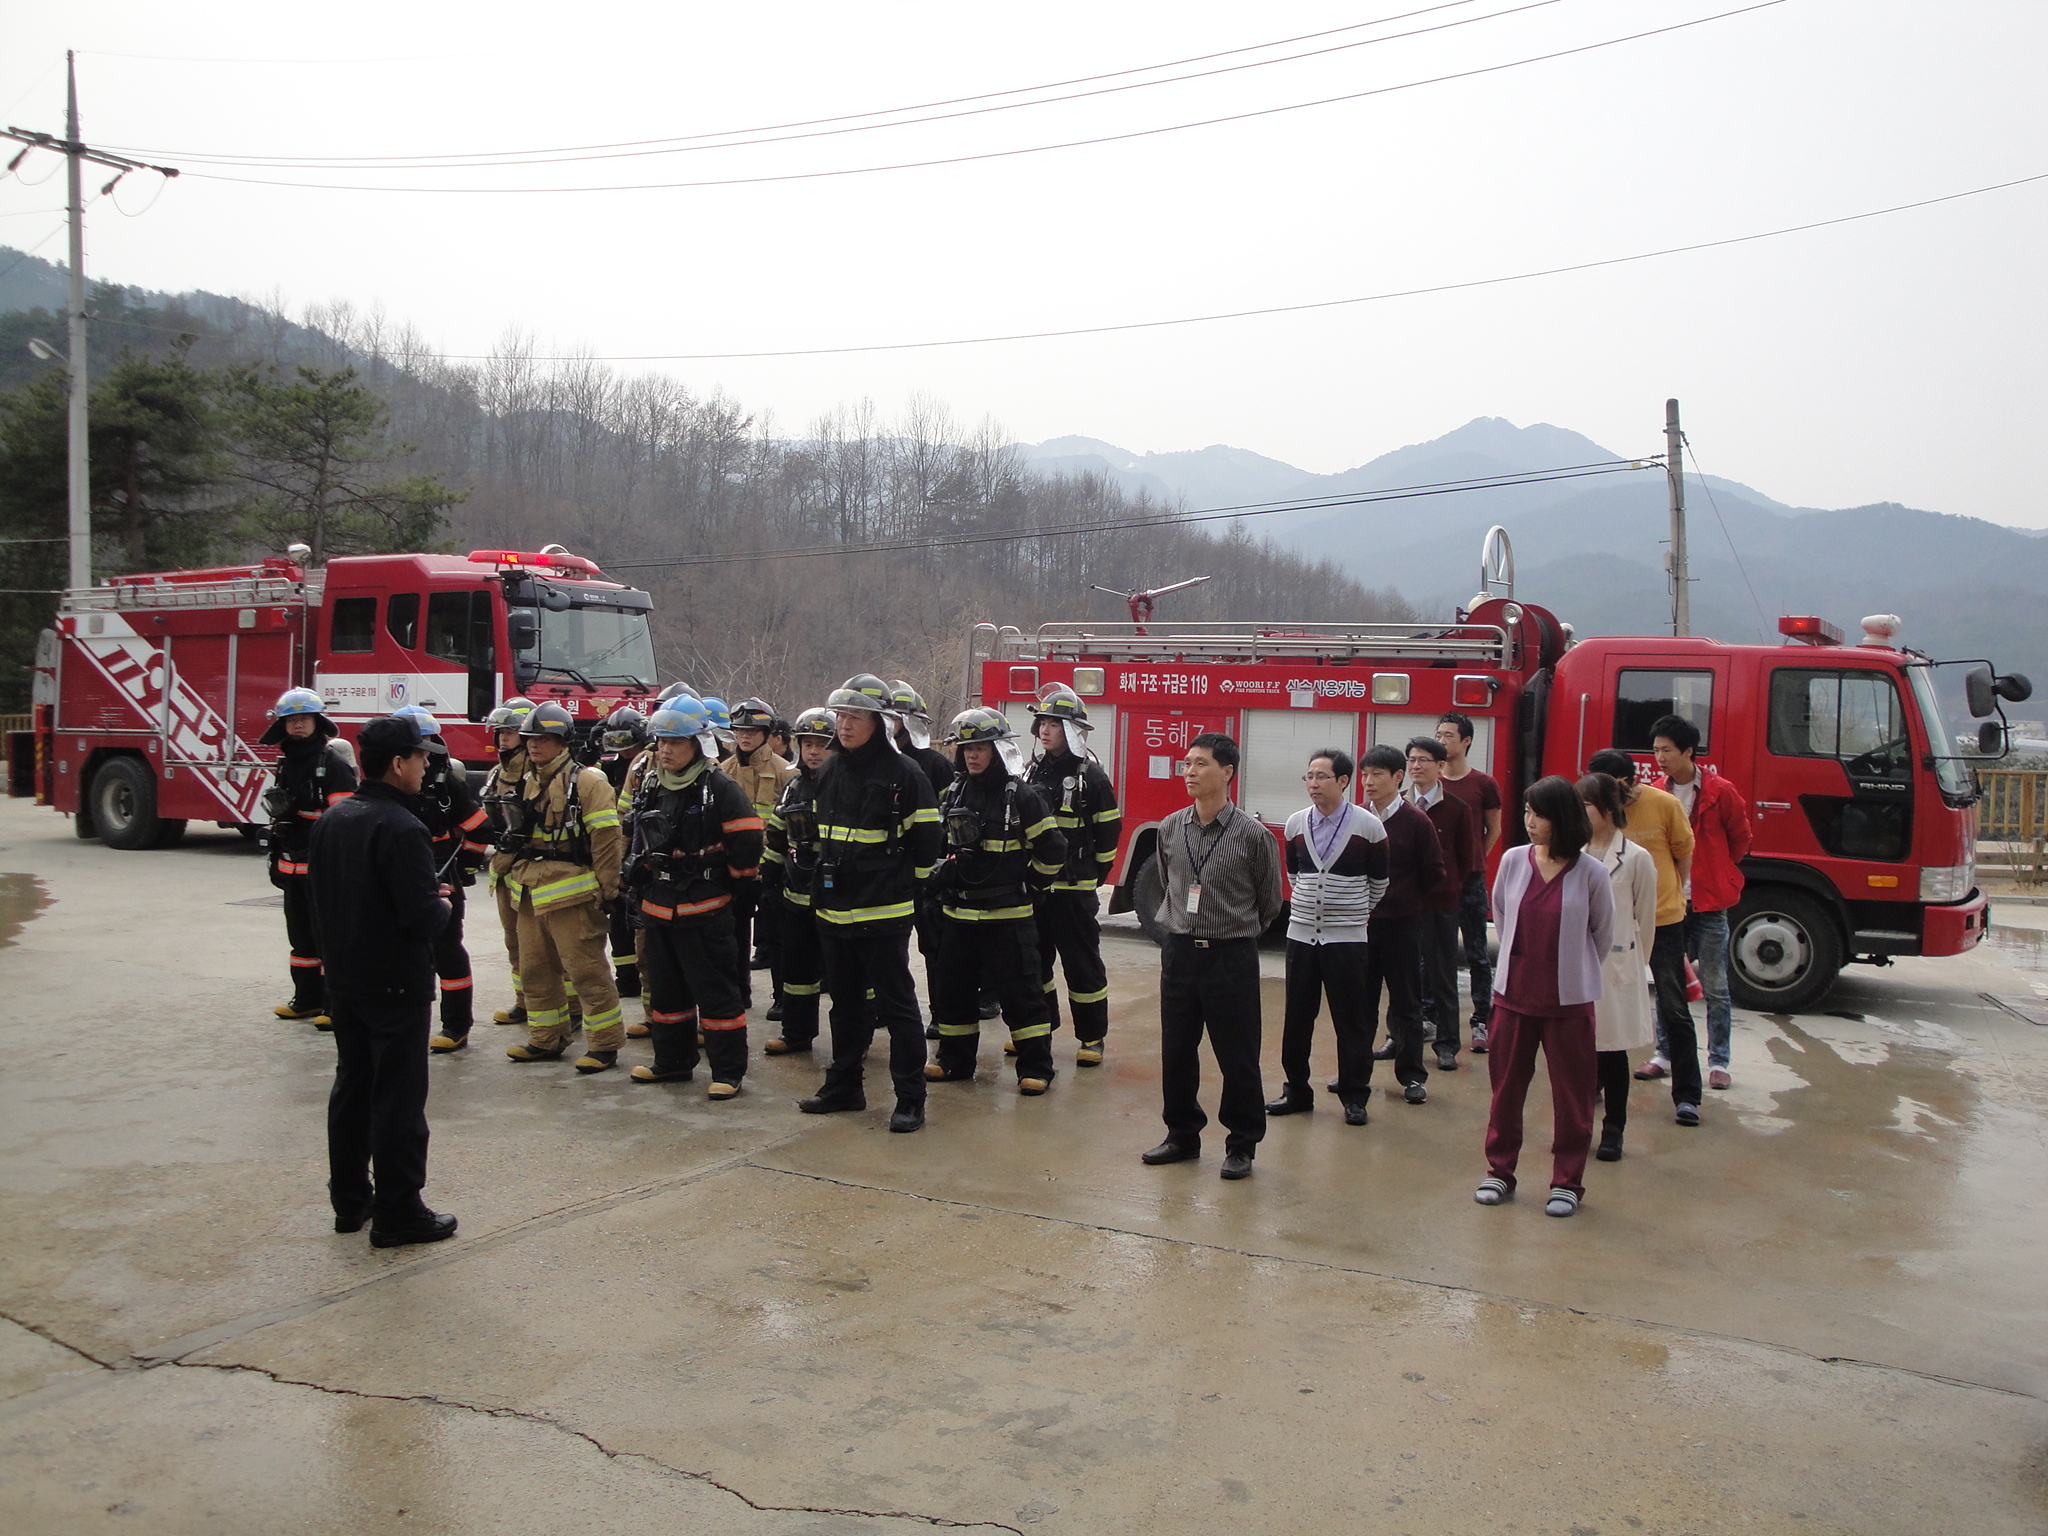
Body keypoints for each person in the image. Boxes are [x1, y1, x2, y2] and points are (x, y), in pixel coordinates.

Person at [307, 714, 455, 1248]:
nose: (426, 766)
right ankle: (399, 1211)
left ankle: (350, 1201)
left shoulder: (335, 819)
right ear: (397, 763)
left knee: (352, 1087)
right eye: (420, 757)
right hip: (395, 984)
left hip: (346, 981)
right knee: (398, 1099)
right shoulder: (401, 827)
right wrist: (440, 903)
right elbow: (422, 917)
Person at [795, 674, 942, 1132]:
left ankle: (910, 1098)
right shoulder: (830, 770)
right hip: (834, 910)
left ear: (881, 722)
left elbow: (927, 847)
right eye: (841, 715)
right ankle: (844, 1087)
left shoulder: (906, 774)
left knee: (897, 1007)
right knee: (844, 1004)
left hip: (883, 914)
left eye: (855, 716)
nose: (844, 725)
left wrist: (901, 892)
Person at [1142, 733, 1284, 1180]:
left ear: (1227, 772)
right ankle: (1181, 1135)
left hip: (1230, 956)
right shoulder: (1170, 828)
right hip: (1180, 953)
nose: (1190, 771)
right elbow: (1169, 882)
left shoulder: (1253, 835)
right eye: (1187, 763)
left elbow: (1269, 902)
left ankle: (1241, 1144)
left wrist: (1233, 932)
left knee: (1237, 1054)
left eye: (1201, 763)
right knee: (1177, 1050)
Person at [1474, 775, 1615, 1218]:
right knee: (1506, 1091)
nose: (1529, 822)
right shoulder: (1513, 861)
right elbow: (1501, 915)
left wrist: (1571, 969)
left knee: (1572, 1096)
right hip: (1514, 997)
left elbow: (1601, 935)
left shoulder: (1592, 873)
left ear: (1562, 818)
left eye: (1539, 815)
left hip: (1568, 1003)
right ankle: (1500, 1170)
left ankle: (1567, 1181)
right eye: (1527, 812)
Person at [623, 700, 764, 1097]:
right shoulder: (652, 782)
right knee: (667, 993)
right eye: (661, 741)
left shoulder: (719, 787)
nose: (665, 750)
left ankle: (728, 1072)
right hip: (658, 907)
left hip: (704, 910)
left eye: (676, 742)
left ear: (698, 743)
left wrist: (729, 886)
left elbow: (748, 840)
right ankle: (672, 1062)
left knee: (715, 992)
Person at [924, 709, 1067, 1093]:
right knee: (953, 993)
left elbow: (1053, 849)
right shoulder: (952, 794)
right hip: (959, 915)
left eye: (981, 747)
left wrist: (1031, 888)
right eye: (966, 748)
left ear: (998, 749)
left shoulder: (1022, 796)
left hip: (1008, 918)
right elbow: (938, 846)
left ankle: (1035, 1068)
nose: (972, 754)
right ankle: (953, 1061)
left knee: (1023, 996)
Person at [497, 702, 627, 1072]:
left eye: (544, 738)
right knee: (534, 969)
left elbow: (606, 839)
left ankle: (604, 1044)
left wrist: (608, 889)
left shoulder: (588, 782)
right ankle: (545, 1039)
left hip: (573, 892)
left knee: (586, 971)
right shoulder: (527, 780)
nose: (534, 744)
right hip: (530, 889)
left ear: (563, 741)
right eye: (530, 738)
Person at [1267, 748, 1388, 1125]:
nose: (1313, 784)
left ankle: (1355, 1095)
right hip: (1302, 936)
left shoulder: (1369, 827)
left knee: (1351, 1020)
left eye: (1322, 776)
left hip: (1347, 940)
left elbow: (1379, 883)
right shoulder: (1295, 824)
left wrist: (1350, 914)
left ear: (1343, 781)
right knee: (1297, 1017)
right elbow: (1294, 875)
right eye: (1309, 776)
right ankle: (1296, 1091)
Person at [1588, 748, 1701, 1125]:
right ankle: (1595, 1083)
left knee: (1673, 1006)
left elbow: (1684, 855)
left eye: (1607, 787)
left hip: (1662, 919)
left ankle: (1687, 1095)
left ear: (1626, 781)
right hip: (1609, 924)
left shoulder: (1664, 805)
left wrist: (1672, 896)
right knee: (1601, 1007)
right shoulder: (1594, 813)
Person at [1648, 713, 1752, 1091]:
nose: (1660, 758)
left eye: (1667, 750)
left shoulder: (1720, 791)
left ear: (1688, 751)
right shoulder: (1657, 791)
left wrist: (1718, 871)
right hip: (1671, 903)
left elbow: (1741, 838)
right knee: (1668, 982)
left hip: (1709, 903)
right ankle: (1664, 1054)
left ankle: (1719, 1061)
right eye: (1656, 750)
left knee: (1716, 985)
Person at [1026, 685, 1121, 1065]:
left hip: (1074, 889)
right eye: (1042, 723)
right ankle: (1039, 1030)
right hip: (1038, 887)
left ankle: (1091, 1037)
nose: (1045, 730)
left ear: (1071, 729)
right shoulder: (1033, 770)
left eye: (1053, 724)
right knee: (1034, 963)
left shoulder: (1091, 777)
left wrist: (1093, 876)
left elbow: (1109, 832)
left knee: (1082, 965)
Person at [388, 707, 492, 1054]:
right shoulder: (389, 782)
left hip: (440, 877)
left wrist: (466, 866)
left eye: (427, 741)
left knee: (447, 952)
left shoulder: (447, 784)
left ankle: (456, 1025)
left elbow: (480, 828)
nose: (423, 750)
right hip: (397, 878)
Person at [260, 687, 358, 1027]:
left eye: (304, 718)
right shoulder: (286, 764)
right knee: (300, 939)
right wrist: (276, 858)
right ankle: (306, 999)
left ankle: (334, 1006)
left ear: (318, 722)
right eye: (291, 720)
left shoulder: (332, 766)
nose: (298, 725)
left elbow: (344, 823)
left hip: (323, 872)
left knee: (328, 939)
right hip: (293, 870)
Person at [1579, 772, 1660, 1162]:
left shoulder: (1637, 859)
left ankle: (1613, 1129)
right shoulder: (1572, 852)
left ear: (1608, 810)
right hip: (1576, 966)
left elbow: (1646, 920)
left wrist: (1632, 968)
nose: (1579, 813)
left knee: (1612, 1054)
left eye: (1586, 805)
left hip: (1616, 969)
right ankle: (1577, 1126)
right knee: (1577, 1054)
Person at [1359, 744, 1444, 1104]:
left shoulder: (1416, 822)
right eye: (1365, 774)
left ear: (1397, 777)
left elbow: (1434, 872)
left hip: (1402, 927)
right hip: (1361, 927)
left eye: (1376, 774)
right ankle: (1355, 1075)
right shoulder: (1356, 818)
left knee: (1407, 1003)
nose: (1368, 782)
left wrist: (1405, 900)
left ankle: (1412, 1076)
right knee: (1360, 1005)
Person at [761, 707, 835, 1055]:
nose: (814, 752)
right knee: (796, 972)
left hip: (838, 903)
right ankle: (796, 1034)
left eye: (822, 744)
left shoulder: (846, 787)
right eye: (808, 744)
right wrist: (768, 881)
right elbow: (777, 838)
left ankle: (856, 1040)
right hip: (797, 899)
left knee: (848, 978)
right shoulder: (793, 788)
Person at [1407, 735, 1480, 1072]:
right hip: (1403, 904)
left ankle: (1447, 1045)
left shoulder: (1457, 809)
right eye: (1412, 759)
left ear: (1439, 766)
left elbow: (1465, 858)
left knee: (1443, 975)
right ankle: (1400, 1038)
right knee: (1403, 975)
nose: (1416, 766)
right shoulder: (1398, 805)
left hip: (1441, 904)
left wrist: (1447, 887)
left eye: (1423, 760)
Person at [721, 697, 797, 1002]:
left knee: (777, 935)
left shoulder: (785, 770)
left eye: (752, 731)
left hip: (773, 867)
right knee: (733, 933)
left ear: (766, 733)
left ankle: (782, 998)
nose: (745, 736)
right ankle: (740, 991)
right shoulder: (723, 771)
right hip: (736, 867)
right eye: (740, 730)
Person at [1435, 713, 1503, 1049]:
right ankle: (1432, 1017)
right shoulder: (1431, 781)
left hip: (1471, 879)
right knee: (1436, 952)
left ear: (1466, 741)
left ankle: (1481, 1021)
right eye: (1439, 734)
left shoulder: (1484, 784)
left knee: (1477, 952)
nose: (1442, 740)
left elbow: (1494, 829)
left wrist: (1474, 858)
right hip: (1437, 880)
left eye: (1449, 735)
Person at [478, 697, 535, 1027]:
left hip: (531, 868)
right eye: (499, 732)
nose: (502, 738)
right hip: (503, 867)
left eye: (509, 732)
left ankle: (569, 1007)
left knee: (543, 947)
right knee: (513, 942)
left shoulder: (538, 773)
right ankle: (523, 1001)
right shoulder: (497, 773)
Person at [597, 705, 652, 1016]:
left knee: (644, 931)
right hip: (624, 850)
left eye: (627, 743)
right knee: (619, 921)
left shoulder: (646, 765)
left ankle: (641, 985)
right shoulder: (612, 767)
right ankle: (627, 978)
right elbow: (620, 816)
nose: (623, 750)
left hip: (645, 853)